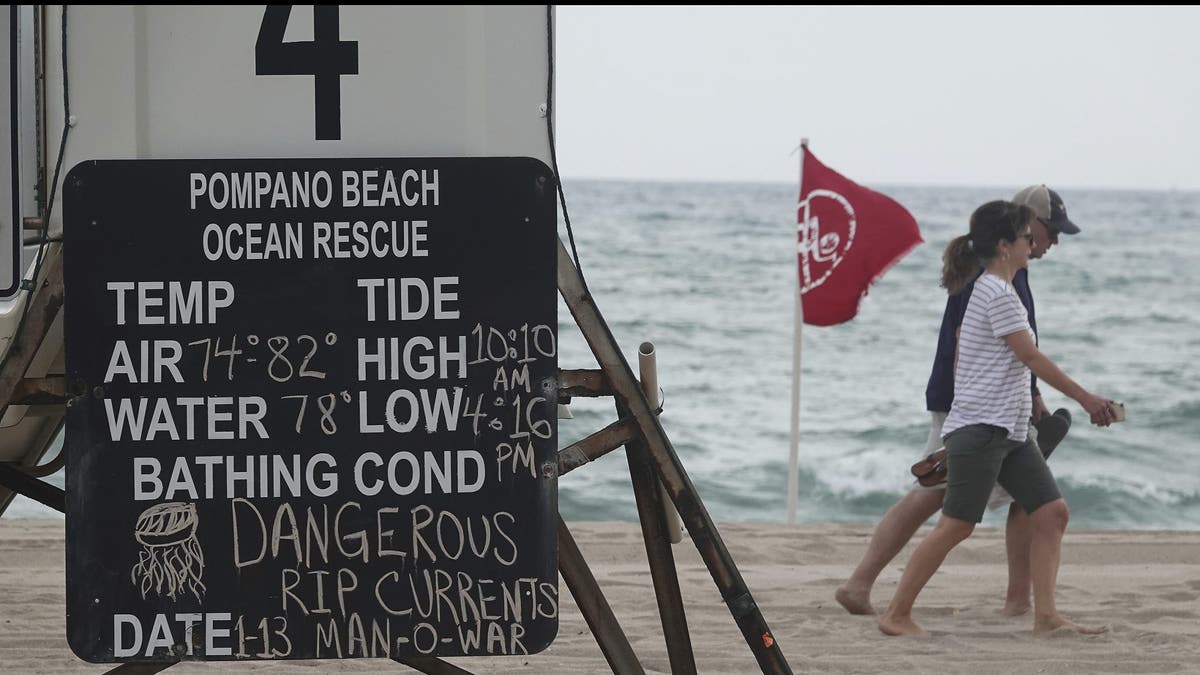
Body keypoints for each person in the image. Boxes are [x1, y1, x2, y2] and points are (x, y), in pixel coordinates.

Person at [835, 184, 1080, 617]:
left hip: (992, 408)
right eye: (1050, 230)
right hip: (972, 408)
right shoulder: (989, 278)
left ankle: (1020, 601)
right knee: (938, 498)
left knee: (1025, 497)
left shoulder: (1010, 271)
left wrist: (1033, 393)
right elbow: (967, 345)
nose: (1053, 241)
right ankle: (866, 586)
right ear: (1027, 225)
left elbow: (1014, 348)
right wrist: (967, 412)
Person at [877, 200, 1113, 636]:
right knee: (957, 525)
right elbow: (1031, 357)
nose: (1032, 244)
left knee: (1052, 512)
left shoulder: (992, 291)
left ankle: (1045, 616)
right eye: (1026, 238)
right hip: (984, 431)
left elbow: (971, 347)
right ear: (1005, 246)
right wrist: (1086, 398)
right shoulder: (996, 293)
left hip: (1009, 429)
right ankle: (896, 614)